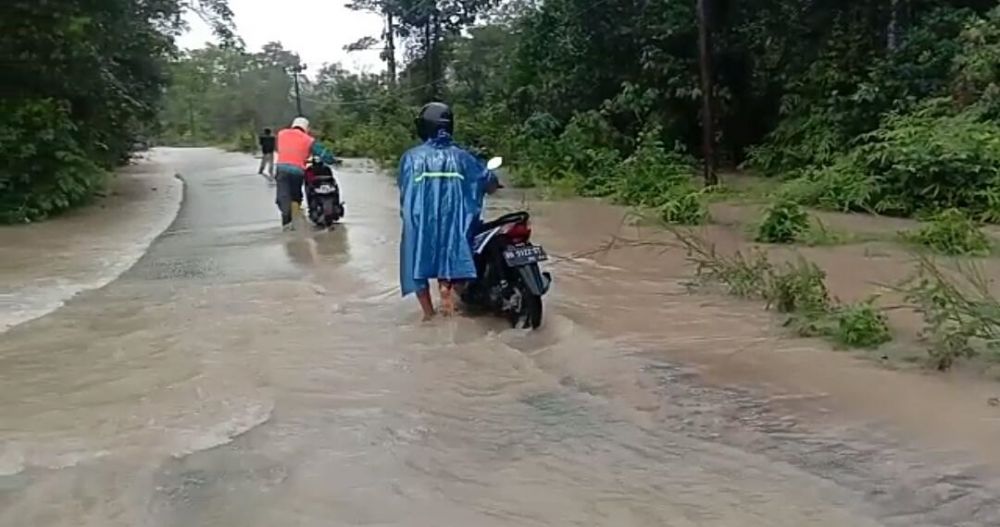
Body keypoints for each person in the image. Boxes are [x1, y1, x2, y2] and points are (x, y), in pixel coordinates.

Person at [398, 102, 499, 320]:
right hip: (455, 221)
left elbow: (404, 188)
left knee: (416, 259)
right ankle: (447, 294)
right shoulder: (464, 157)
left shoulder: (410, 157)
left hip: (419, 221)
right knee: (451, 250)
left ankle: (428, 315)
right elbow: (486, 179)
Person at [275, 117, 335, 230]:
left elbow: (281, 149)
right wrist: (332, 160)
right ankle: (296, 215)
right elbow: (323, 154)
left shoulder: (281, 134)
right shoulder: (308, 139)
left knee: (283, 196)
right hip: (298, 170)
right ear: (306, 128)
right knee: (296, 196)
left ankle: (286, 222)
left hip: (281, 168)